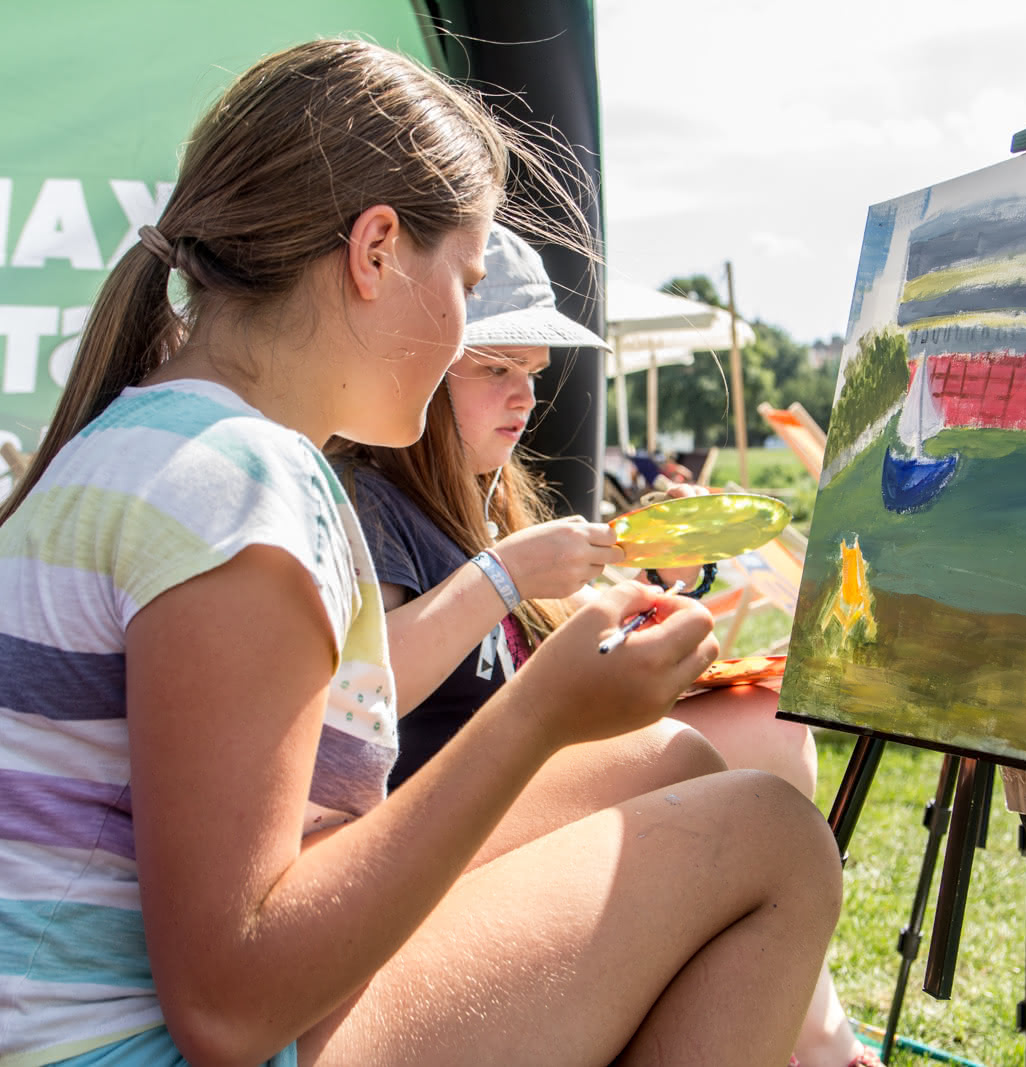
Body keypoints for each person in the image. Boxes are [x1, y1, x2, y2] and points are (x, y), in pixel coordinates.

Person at [0, 38, 842, 1066]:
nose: (468, 330)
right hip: (123, 1049)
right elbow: (229, 1009)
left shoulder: (153, 442)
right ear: (376, 250)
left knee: (669, 759)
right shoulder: (239, 484)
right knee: (770, 837)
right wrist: (539, 712)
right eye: (467, 280)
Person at [335, 223, 881, 1067]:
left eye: (533, 373)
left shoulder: (488, 494)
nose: (524, 396)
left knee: (768, 721)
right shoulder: (376, 501)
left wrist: (656, 592)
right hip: (442, 818)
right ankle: (816, 1043)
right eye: (497, 368)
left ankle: (814, 1036)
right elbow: (369, 686)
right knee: (741, 768)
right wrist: (505, 574)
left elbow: (556, 635)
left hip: (526, 777)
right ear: (425, 363)